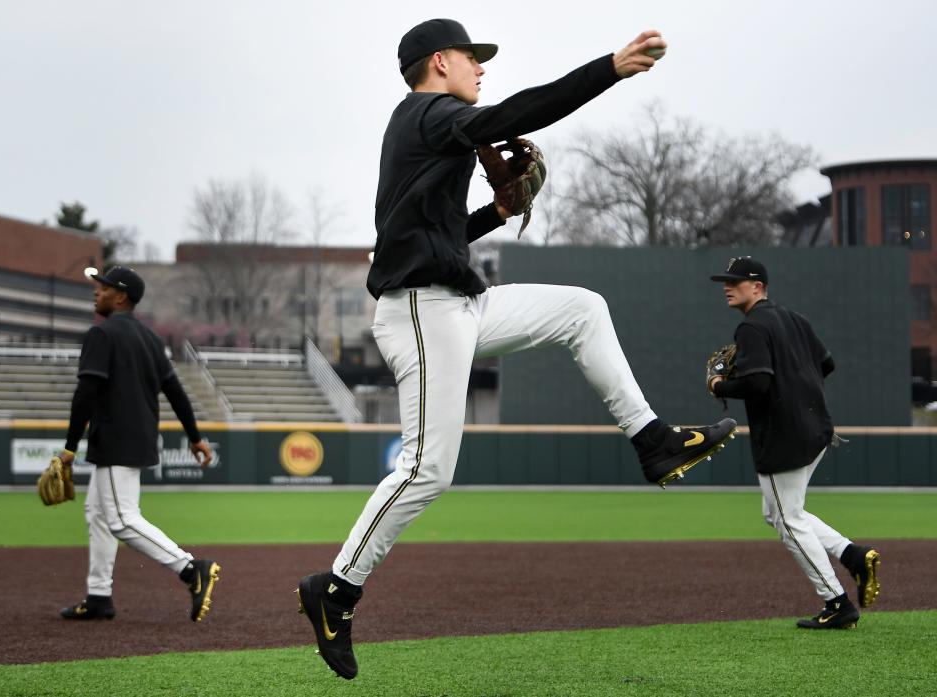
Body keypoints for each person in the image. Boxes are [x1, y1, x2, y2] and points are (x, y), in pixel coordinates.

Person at [295, 18, 735, 679]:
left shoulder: (429, 134)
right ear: (439, 61)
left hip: (455, 300)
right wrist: (606, 69)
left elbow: (435, 234)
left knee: (583, 309)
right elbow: (517, 111)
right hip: (421, 309)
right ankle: (335, 589)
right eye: (474, 57)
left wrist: (496, 214)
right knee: (427, 470)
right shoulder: (426, 113)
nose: (481, 68)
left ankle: (653, 442)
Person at [708, 256, 881, 630]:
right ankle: (852, 555)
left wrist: (719, 386)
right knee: (782, 513)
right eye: (726, 281)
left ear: (757, 287)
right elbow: (826, 364)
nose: (727, 286)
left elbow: (758, 384)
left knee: (788, 519)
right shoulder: (794, 319)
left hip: (785, 436)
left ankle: (837, 602)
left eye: (735, 281)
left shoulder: (752, 327)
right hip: (816, 428)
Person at [57, 265, 220, 623]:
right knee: (97, 513)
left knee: (121, 519)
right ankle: (99, 596)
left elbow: (86, 392)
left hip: (116, 438)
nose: (96, 292)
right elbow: (176, 391)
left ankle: (192, 569)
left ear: (121, 296)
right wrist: (194, 437)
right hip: (135, 437)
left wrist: (69, 447)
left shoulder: (102, 335)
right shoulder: (150, 339)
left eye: (102, 287)